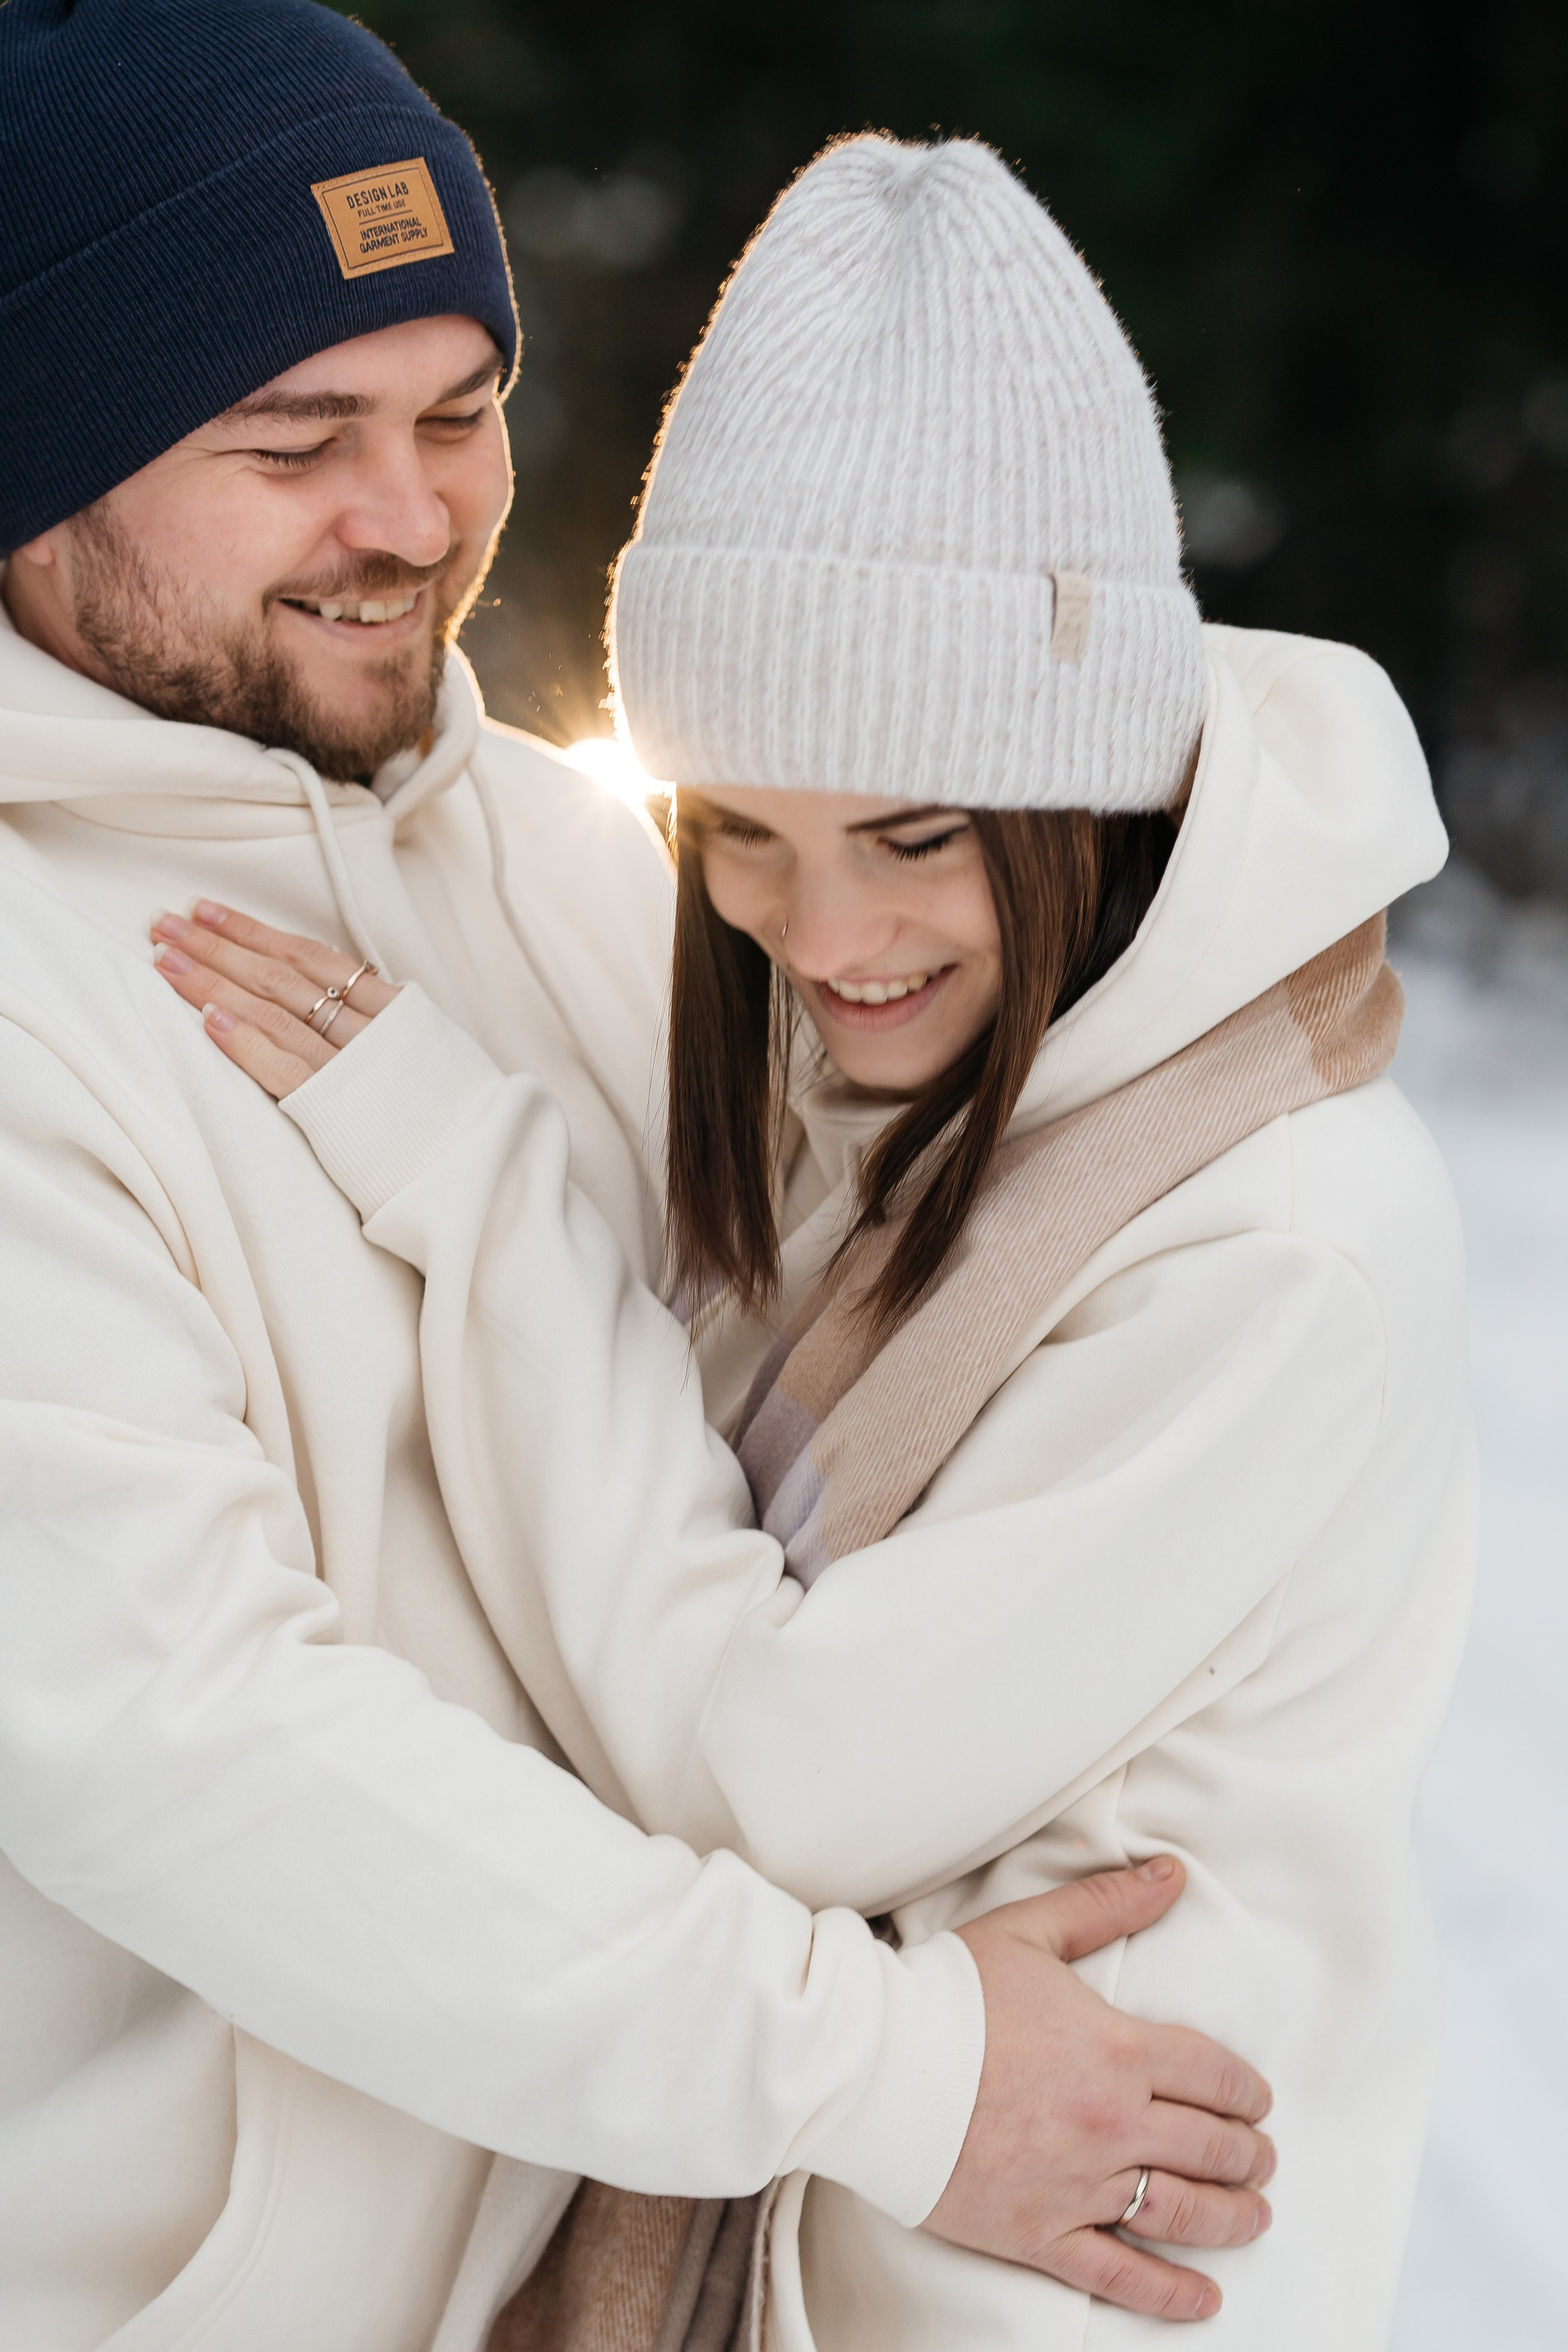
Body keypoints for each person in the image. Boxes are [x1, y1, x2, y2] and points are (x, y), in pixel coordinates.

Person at [0, 10, 1280, 2350]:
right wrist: (893, 2071)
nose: (412, 519)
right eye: (296, 442)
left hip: (641, 2277)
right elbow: (201, 1756)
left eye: (460, 412)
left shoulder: (578, 870)